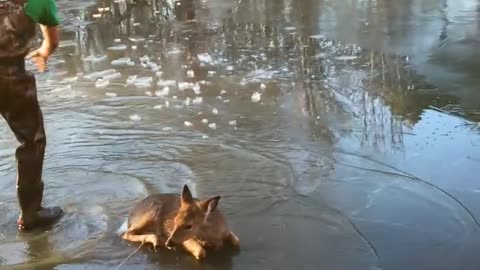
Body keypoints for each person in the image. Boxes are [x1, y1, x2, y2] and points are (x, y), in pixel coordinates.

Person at [0, 0, 63, 231]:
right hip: (11, 81)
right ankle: (31, 213)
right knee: (32, 142)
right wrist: (44, 52)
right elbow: (52, 41)